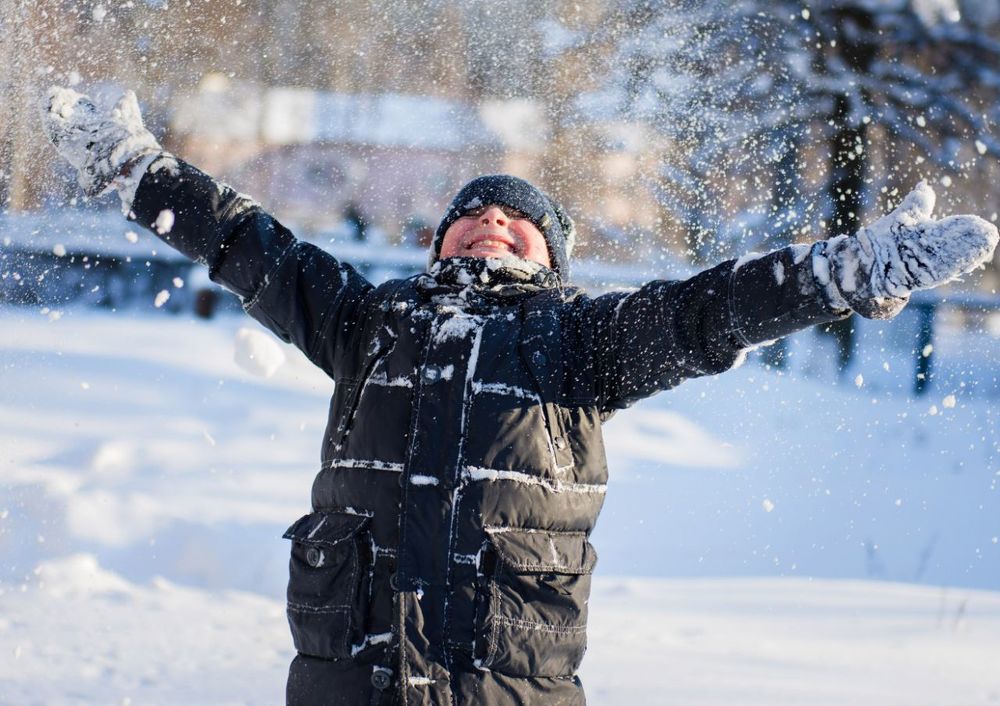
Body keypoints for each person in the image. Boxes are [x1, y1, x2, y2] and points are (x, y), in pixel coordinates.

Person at [42, 87, 997, 706]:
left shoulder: (580, 343)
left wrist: (843, 270)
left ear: (550, 260)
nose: (491, 223)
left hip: (506, 678)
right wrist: (135, 167)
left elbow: (709, 313)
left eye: (517, 222)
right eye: (471, 215)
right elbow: (248, 243)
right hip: (350, 668)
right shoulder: (367, 322)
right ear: (437, 245)